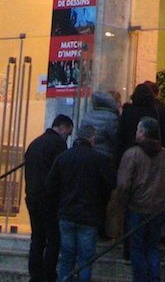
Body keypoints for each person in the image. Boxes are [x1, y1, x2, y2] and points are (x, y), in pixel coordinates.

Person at [47, 121, 116, 282]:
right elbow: (112, 183)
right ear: (92, 139)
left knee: (67, 259)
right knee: (85, 260)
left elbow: (50, 184)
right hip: (89, 216)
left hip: (66, 214)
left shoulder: (63, 157)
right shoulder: (99, 159)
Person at [115, 117, 165, 282]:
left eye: (138, 130)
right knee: (152, 248)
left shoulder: (132, 154)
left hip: (137, 208)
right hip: (157, 208)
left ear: (142, 132)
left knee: (137, 248)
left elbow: (123, 184)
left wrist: (122, 204)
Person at [24, 114, 74, 282]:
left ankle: (35, 275)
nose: (67, 137)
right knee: (53, 239)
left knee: (37, 238)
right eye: (68, 133)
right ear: (63, 128)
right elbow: (62, 174)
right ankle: (48, 274)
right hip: (49, 200)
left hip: (32, 196)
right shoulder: (58, 145)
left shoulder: (34, 144)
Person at [117, 81, 165, 159]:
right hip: (154, 155)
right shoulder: (157, 112)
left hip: (131, 153)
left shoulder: (128, 112)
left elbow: (120, 136)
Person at [86, 89, 121, 165]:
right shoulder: (111, 117)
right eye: (119, 102)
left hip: (88, 153)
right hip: (105, 155)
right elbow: (116, 139)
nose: (120, 105)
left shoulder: (88, 114)